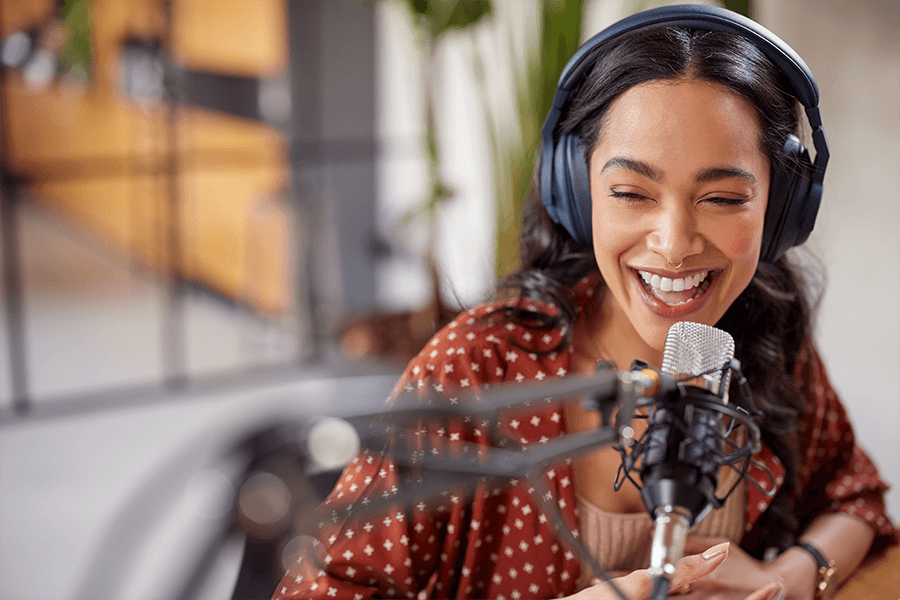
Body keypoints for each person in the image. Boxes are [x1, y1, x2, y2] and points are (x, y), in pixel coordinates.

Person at [272, 6, 897, 600]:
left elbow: (855, 498)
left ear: (782, 209)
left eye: (724, 199)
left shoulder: (760, 335)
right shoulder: (477, 370)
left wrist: (790, 575)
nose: (674, 245)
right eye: (631, 191)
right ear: (578, 190)